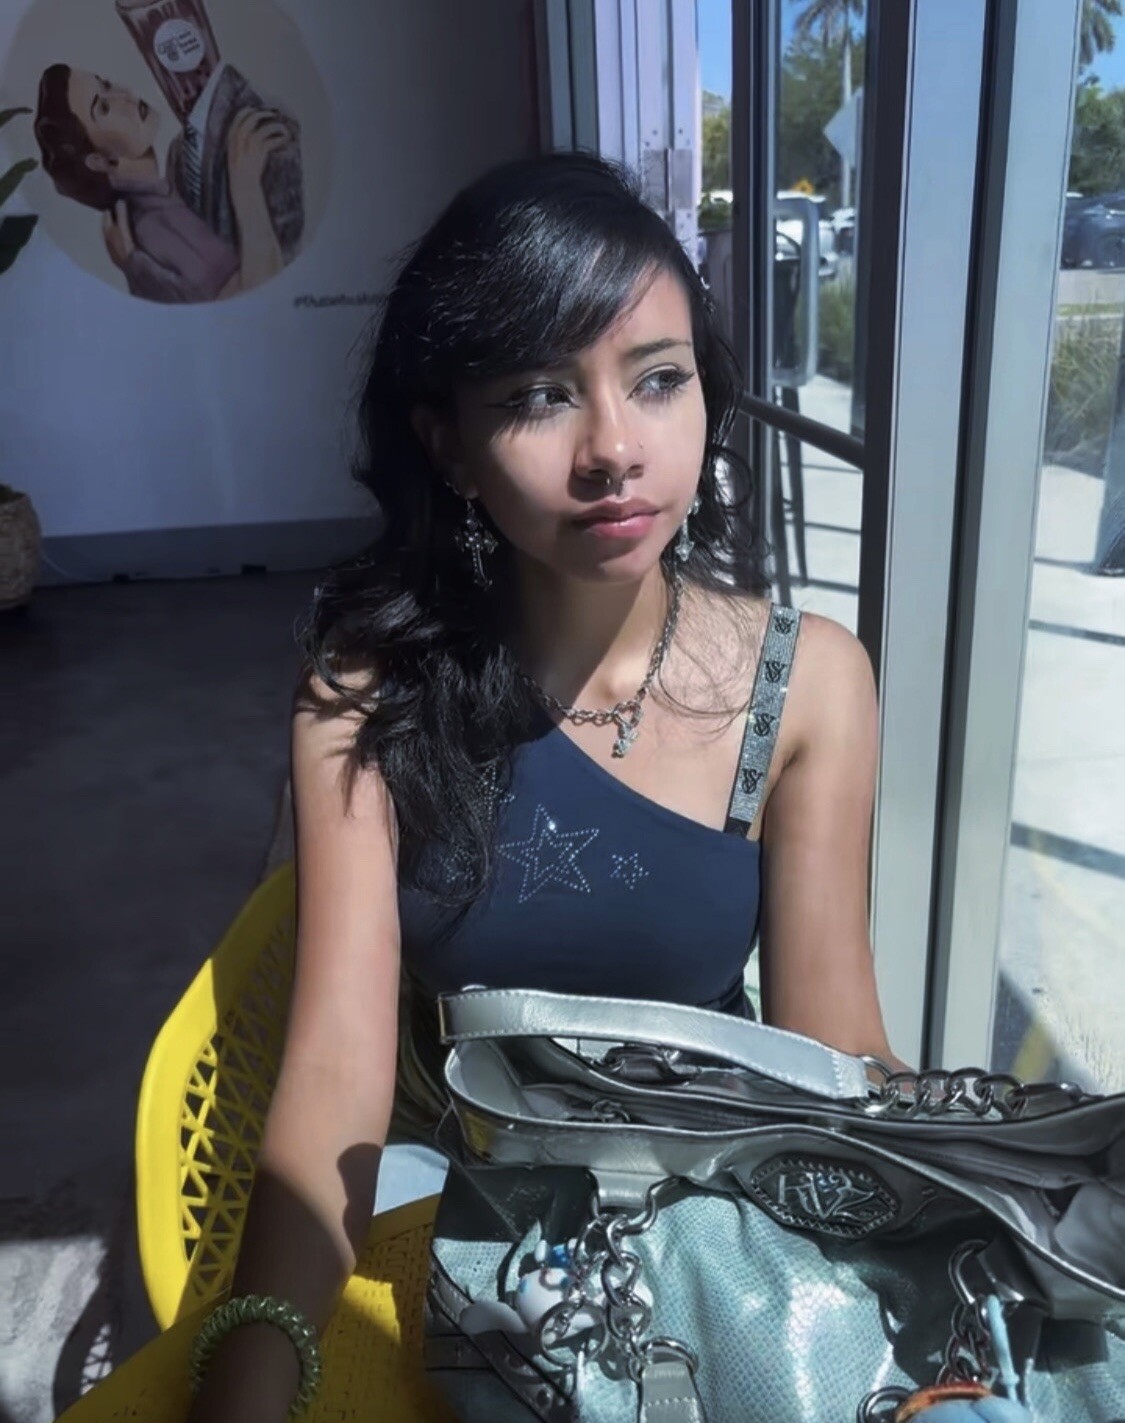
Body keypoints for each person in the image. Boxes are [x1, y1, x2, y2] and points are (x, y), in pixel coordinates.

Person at [186, 151, 902, 1422]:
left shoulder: (809, 685)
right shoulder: (367, 693)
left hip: (718, 1214)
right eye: (537, 395)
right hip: (471, 1229)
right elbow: (339, 1070)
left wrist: (996, 1177)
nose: (615, 449)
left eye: (659, 379)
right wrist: (252, 1370)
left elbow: (831, 1059)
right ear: (448, 444)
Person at [33, 64, 290, 302]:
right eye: (104, 107)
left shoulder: (178, 163)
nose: (124, 95)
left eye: (107, 84)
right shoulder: (151, 226)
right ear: (100, 161)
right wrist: (246, 186)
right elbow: (254, 298)